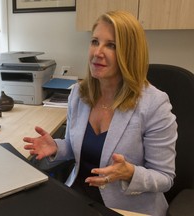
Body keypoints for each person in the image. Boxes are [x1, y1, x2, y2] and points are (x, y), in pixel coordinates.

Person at [23, 10, 177, 216]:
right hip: (79, 197)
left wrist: (130, 173)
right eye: (95, 41)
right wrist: (57, 147)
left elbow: (165, 177)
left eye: (111, 45)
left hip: (127, 208)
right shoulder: (79, 93)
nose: (97, 52)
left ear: (129, 52)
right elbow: (74, 146)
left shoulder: (154, 104)